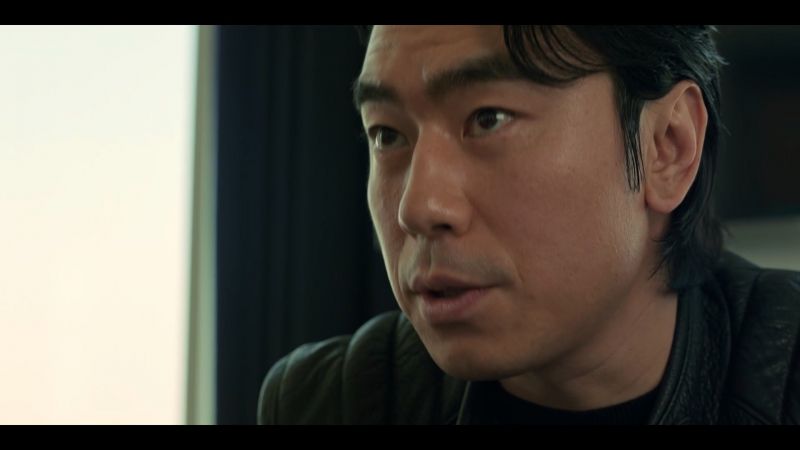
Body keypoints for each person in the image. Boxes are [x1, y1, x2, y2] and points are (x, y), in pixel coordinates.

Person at [257, 25, 800, 425]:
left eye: (488, 118)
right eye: (387, 134)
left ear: (668, 147)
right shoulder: (330, 403)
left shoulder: (782, 382)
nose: (418, 208)